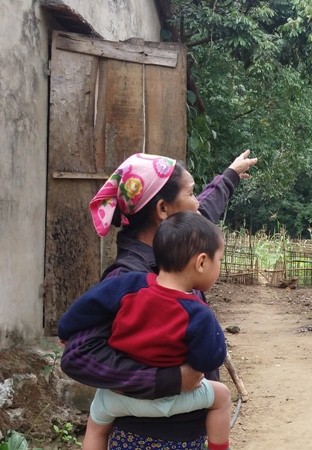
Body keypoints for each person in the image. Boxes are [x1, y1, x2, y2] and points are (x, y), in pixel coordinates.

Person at [59, 151, 257, 449]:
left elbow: (205, 215)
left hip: (186, 431)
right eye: (191, 193)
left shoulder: (180, 254)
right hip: (148, 435)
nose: (197, 202)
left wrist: (229, 176)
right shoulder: (128, 278)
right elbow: (78, 356)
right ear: (164, 209)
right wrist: (170, 380)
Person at [59, 212, 231, 450]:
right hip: (174, 398)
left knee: (96, 424)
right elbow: (209, 359)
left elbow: (88, 305)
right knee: (222, 397)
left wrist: (65, 330)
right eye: (219, 260)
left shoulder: (128, 284)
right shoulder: (197, 313)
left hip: (121, 397)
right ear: (201, 262)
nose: (219, 267)